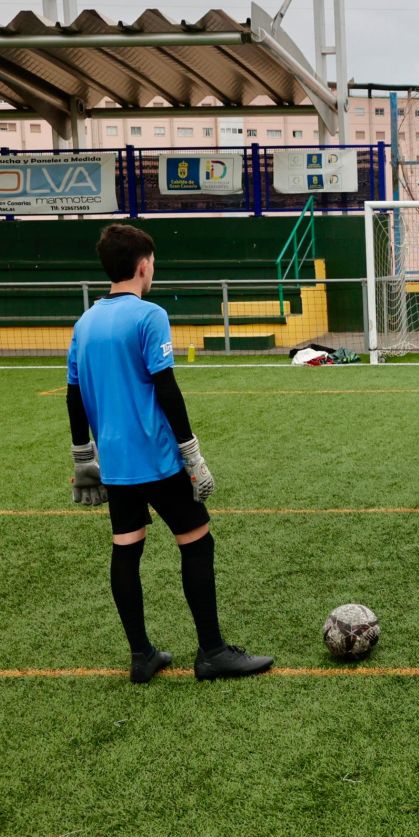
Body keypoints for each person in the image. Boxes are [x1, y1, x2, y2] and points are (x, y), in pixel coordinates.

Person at [65, 224, 273, 683]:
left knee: (126, 548)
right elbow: (166, 388)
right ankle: (212, 652)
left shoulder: (85, 323)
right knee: (197, 540)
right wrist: (192, 455)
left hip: (115, 464)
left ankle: (141, 655)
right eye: (153, 263)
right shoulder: (149, 315)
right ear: (143, 266)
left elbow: (73, 395)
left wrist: (83, 459)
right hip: (157, 457)